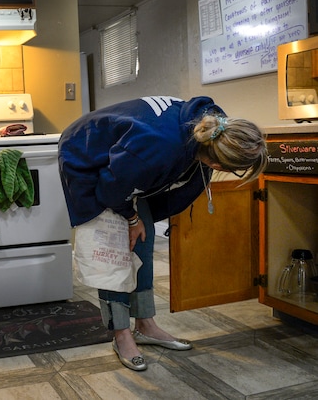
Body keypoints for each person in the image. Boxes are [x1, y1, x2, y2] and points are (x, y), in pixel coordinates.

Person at [58, 95, 267, 371]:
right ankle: (121, 334)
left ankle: (145, 326)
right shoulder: (159, 147)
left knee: (142, 242)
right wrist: (131, 218)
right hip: (87, 156)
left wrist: (138, 221)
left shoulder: (216, 128)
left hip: (125, 161)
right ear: (217, 164)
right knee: (115, 253)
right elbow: (110, 188)